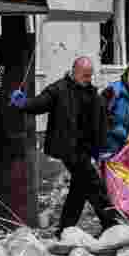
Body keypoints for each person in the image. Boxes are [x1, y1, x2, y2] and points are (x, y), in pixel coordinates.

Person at [11, 57, 117, 235]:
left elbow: (100, 118)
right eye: (84, 75)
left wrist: (103, 146)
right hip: (68, 148)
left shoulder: (91, 92)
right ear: (74, 72)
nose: (88, 79)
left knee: (79, 188)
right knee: (93, 183)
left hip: (85, 148)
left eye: (90, 75)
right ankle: (111, 224)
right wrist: (24, 104)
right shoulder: (58, 89)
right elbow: (41, 103)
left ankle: (65, 229)